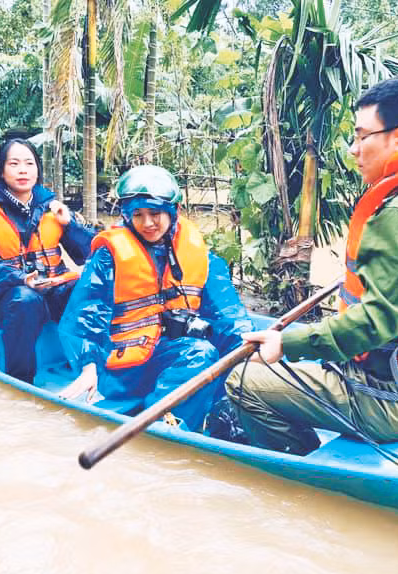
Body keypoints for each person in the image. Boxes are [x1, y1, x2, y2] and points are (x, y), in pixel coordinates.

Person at [225, 76, 398, 455]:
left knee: (242, 381)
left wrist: (286, 343)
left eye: (361, 136)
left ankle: (302, 467)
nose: (353, 150)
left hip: (397, 400)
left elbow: (377, 322)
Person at [57, 165, 253, 431]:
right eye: (138, 215)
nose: (148, 223)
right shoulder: (109, 256)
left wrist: (251, 348)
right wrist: (88, 364)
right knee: (200, 353)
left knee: (231, 348)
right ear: (127, 216)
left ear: (174, 212)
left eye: (156, 214)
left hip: (168, 355)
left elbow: (227, 313)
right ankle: (168, 425)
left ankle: (218, 412)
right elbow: (86, 312)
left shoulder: (199, 256)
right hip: (123, 368)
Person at [0, 138, 95, 384]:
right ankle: (21, 380)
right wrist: (22, 278)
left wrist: (71, 224)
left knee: (85, 287)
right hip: (9, 298)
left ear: (38, 169)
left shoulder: (52, 208)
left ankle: (89, 366)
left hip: (52, 290)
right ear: (2, 170)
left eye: (29, 163)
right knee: (25, 299)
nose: (23, 170)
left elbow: (90, 251)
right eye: (14, 164)